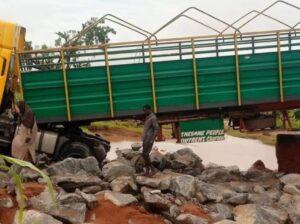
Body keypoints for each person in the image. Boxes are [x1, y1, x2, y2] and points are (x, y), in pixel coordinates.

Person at [141, 104, 159, 175]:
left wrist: (152, 139)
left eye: (145, 110)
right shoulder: (148, 117)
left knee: (145, 154)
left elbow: (156, 129)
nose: (144, 112)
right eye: (144, 111)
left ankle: (152, 169)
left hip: (149, 139)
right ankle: (148, 171)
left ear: (149, 109)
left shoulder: (153, 118)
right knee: (144, 155)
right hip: (145, 139)